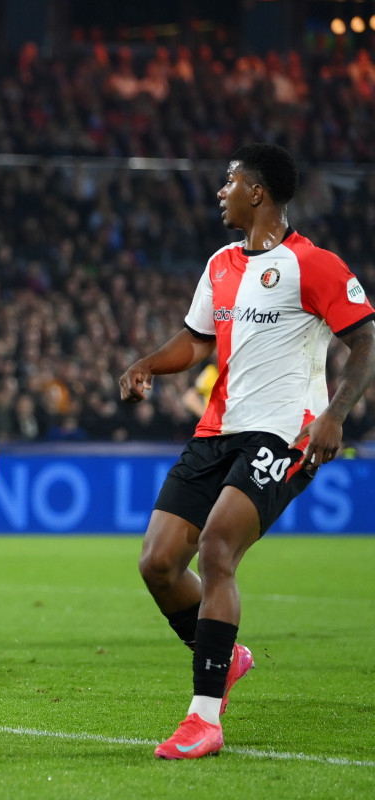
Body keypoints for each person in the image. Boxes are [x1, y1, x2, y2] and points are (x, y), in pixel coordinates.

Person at [119, 144, 375, 760]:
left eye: (230, 181)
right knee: (156, 564)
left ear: (257, 193)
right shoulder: (220, 265)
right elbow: (196, 340)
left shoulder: (313, 265)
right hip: (216, 433)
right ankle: (225, 655)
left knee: (216, 548)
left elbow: (365, 342)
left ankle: (204, 718)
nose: (221, 191)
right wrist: (148, 364)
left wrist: (335, 417)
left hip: (284, 434)